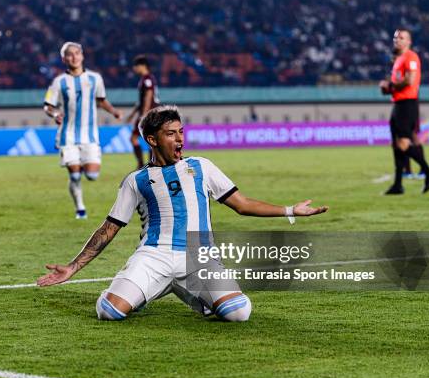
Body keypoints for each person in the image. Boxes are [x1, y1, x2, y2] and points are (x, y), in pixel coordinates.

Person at [38, 106, 328, 322]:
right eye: (170, 134)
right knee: (109, 311)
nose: (180, 139)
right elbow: (109, 228)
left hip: (198, 257)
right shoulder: (135, 181)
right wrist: (73, 267)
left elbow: (242, 204)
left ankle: (183, 289)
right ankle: (144, 287)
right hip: (154, 256)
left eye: (181, 132)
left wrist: (290, 210)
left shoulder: (202, 166)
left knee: (239, 313)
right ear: (152, 140)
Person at [44, 42, 122, 219]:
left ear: (82, 55)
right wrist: (55, 113)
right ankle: (80, 208)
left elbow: (101, 100)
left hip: (90, 136)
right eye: (70, 54)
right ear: (64, 59)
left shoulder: (95, 78)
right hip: (68, 136)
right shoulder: (58, 82)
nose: (74, 57)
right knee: (75, 175)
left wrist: (114, 111)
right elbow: (47, 105)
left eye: (77, 53)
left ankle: (81, 198)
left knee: (92, 175)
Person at [379, 29, 429, 194]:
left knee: (403, 143)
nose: (397, 40)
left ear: (409, 41)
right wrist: (386, 88)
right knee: (396, 145)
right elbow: (396, 84)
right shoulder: (398, 60)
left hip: (407, 104)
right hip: (398, 103)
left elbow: (409, 80)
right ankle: (398, 184)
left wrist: (390, 86)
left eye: (402, 37)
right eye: (396, 37)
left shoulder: (411, 57)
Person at [125, 55, 160, 169]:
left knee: (139, 138)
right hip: (148, 113)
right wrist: (132, 114)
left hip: (149, 114)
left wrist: (144, 114)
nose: (134, 69)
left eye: (135, 66)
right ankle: (148, 164)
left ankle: (144, 164)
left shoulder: (147, 79)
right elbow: (141, 100)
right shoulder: (145, 79)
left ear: (142, 66)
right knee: (148, 139)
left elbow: (148, 96)